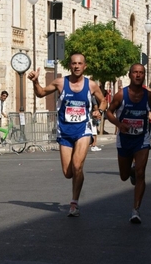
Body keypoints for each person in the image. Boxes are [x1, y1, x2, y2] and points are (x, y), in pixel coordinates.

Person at [27, 53, 107, 217]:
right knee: (68, 172)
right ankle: (78, 176)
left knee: (77, 165)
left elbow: (103, 100)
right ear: (69, 66)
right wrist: (35, 82)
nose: (77, 66)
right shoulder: (60, 83)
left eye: (80, 63)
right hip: (64, 131)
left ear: (85, 66)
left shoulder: (91, 85)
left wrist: (99, 110)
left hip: (83, 129)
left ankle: (74, 203)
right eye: (73, 63)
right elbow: (41, 93)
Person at [106, 63, 151, 224]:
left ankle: (135, 210)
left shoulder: (149, 95)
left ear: (144, 75)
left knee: (141, 173)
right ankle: (130, 171)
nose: (138, 75)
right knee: (124, 176)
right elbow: (109, 112)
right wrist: (119, 125)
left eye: (141, 73)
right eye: (135, 72)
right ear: (130, 74)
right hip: (124, 139)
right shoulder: (121, 95)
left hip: (141, 139)